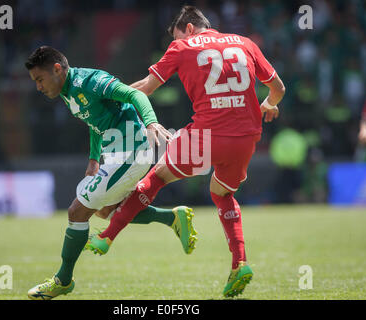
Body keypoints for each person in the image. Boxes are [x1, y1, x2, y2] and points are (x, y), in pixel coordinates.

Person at [86, 6, 285, 298]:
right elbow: (278, 88)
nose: (174, 42)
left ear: (189, 29)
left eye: (176, 36)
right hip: (245, 138)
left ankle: (107, 236)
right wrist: (268, 104)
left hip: (205, 136)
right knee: (223, 194)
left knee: (158, 178)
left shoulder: (182, 47)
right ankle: (240, 263)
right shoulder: (246, 43)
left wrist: (111, 98)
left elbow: (145, 89)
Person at [24, 46, 198, 300]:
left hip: (133, 152)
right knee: (105, 209)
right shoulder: (65, 91)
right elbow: (95, 122)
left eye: (39, 79)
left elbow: (134, 95)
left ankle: (63, 280)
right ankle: (172, 219)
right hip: (115, 154)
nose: (38, 87)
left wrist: (150, 122)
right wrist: (94, 160)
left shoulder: (92, 82)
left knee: (76, 211)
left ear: (57, 69)